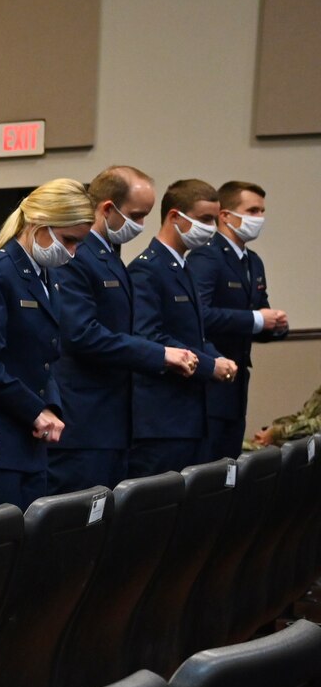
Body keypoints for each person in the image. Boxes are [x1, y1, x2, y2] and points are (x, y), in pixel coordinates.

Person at [49, 166, 197, 493]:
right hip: (83, 421)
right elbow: (82, 335)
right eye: (136, 215)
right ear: (106, 208)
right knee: (76, 527)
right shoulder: (76, 252)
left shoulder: (108, 254)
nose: (141, 225)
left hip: (111, 421)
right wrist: (159, 354)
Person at [0, 180, 92, 511]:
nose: (72, 252)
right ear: (39, 225)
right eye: (68, 240)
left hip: (31, 445)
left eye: (78, 244)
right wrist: (34, 410)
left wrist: (51, 406)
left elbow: (46, 359)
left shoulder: (45, 277)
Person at [128, 178, 238, 477]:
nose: (212, 228)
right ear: (175, 216)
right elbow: (150, 336)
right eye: (204, 219)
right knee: (156, 510)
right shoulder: (147, 268)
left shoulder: (183, 266)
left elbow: (195, 333)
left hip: (188, 415)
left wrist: (218, 357)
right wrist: (208, 365)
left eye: (214, 220)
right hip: (161, 419)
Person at [191, 179, 289, 460]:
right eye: (253, 210)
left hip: (237, 384)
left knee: (230, 470)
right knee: (209, 469)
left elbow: (261, 312)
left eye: (261, 211)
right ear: (225, 215)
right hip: (209, 382)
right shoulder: (206, 257)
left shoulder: (253, 261)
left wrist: (277, 325)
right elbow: (200, 316)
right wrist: (257, 320)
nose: (259, 218)